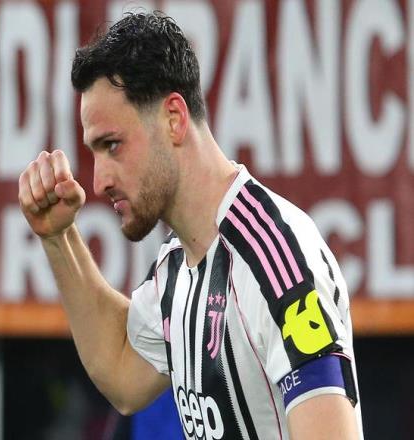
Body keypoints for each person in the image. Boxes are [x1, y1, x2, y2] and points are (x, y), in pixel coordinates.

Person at [18, 12, 363, 439]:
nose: (99, 180)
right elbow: (122, 372)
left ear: (174, 118)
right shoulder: (177, 266)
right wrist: (58, 237)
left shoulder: (277, 261)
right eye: (94, 152)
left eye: (113, 145)